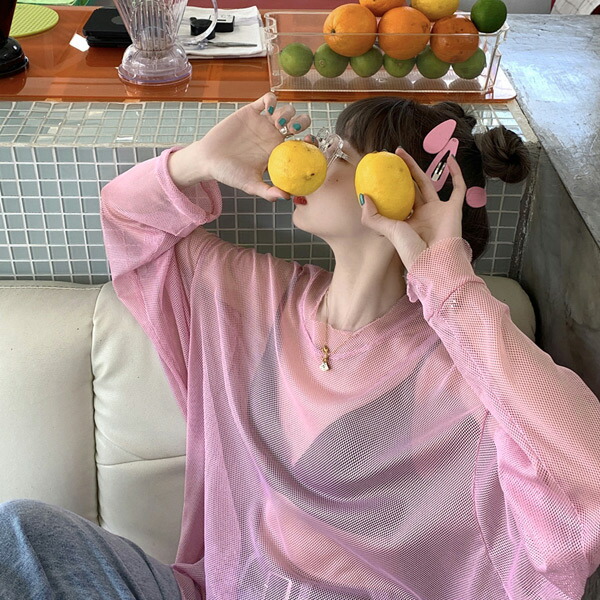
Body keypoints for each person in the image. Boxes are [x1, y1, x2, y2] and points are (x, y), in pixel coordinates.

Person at [1, 92, 599, 600]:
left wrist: (447, 277)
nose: (311, 157)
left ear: (400, 196)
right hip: (222, 588)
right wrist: (200, 160)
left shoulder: (454, 367)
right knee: (21, 534)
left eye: (341, 154)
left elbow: (588, 476)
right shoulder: (258, 295)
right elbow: (127, 218)